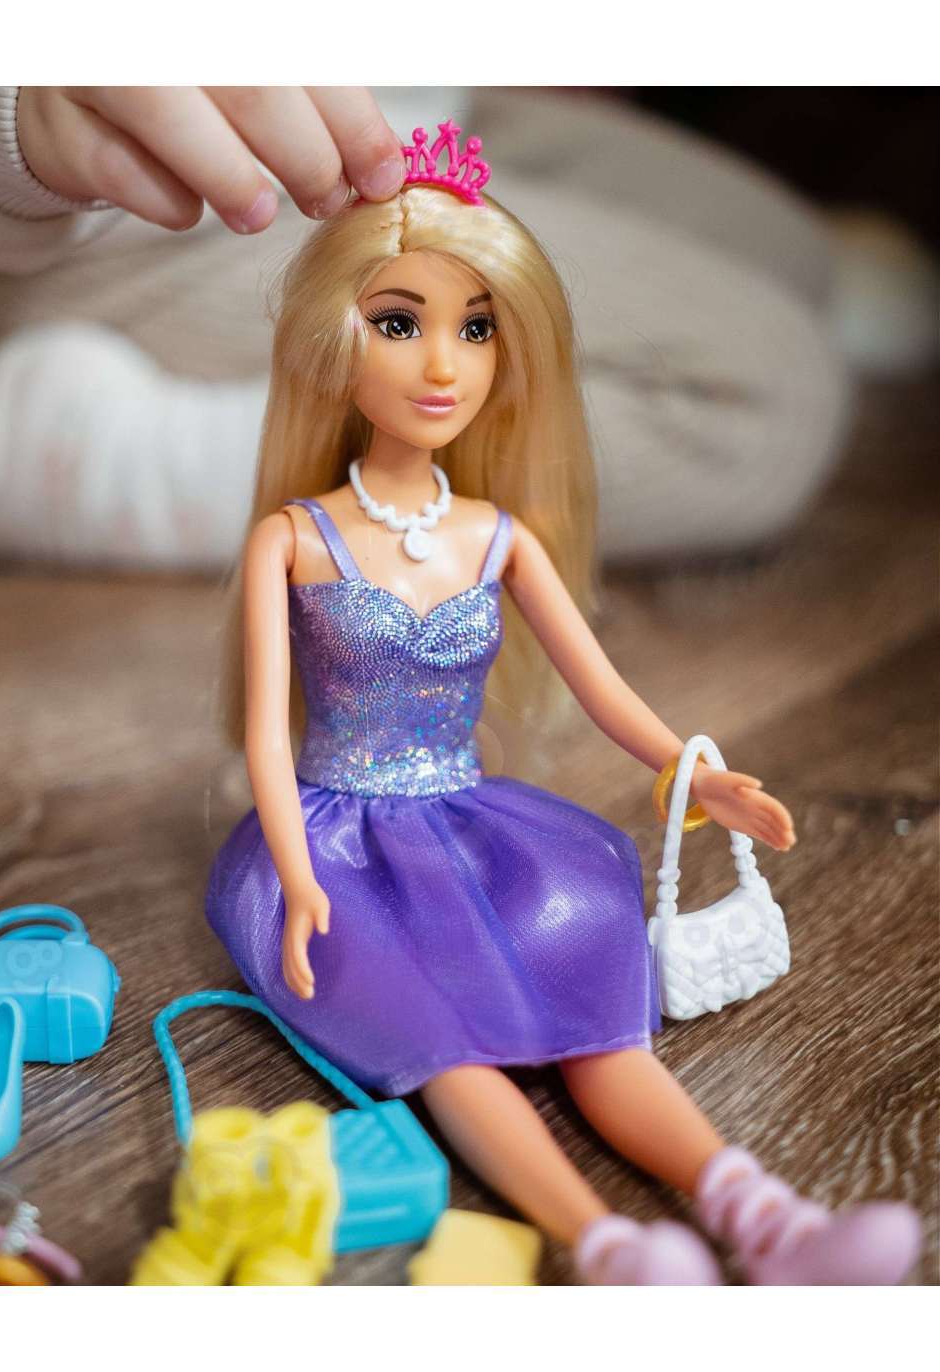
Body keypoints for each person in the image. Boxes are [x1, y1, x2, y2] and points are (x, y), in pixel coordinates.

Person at [204, 132, 921, 1285]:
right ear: (334, 341)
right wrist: (295, 873)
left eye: (476, 328)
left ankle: (771, 1219)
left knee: (595, 1017)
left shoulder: (499, 538)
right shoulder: (294, 540)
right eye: (401, 323)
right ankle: (605, 1245)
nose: (444, 364)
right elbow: (262, 734)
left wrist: (695, 772)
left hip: (474, 827)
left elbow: (601, 687)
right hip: (341, 844)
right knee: (448, 1049)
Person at [0, 88, 848, 567]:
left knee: (786, 251)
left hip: (416, 111)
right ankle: (84, 455)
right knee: (756, 402)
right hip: (150, 198)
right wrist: (10, 102)